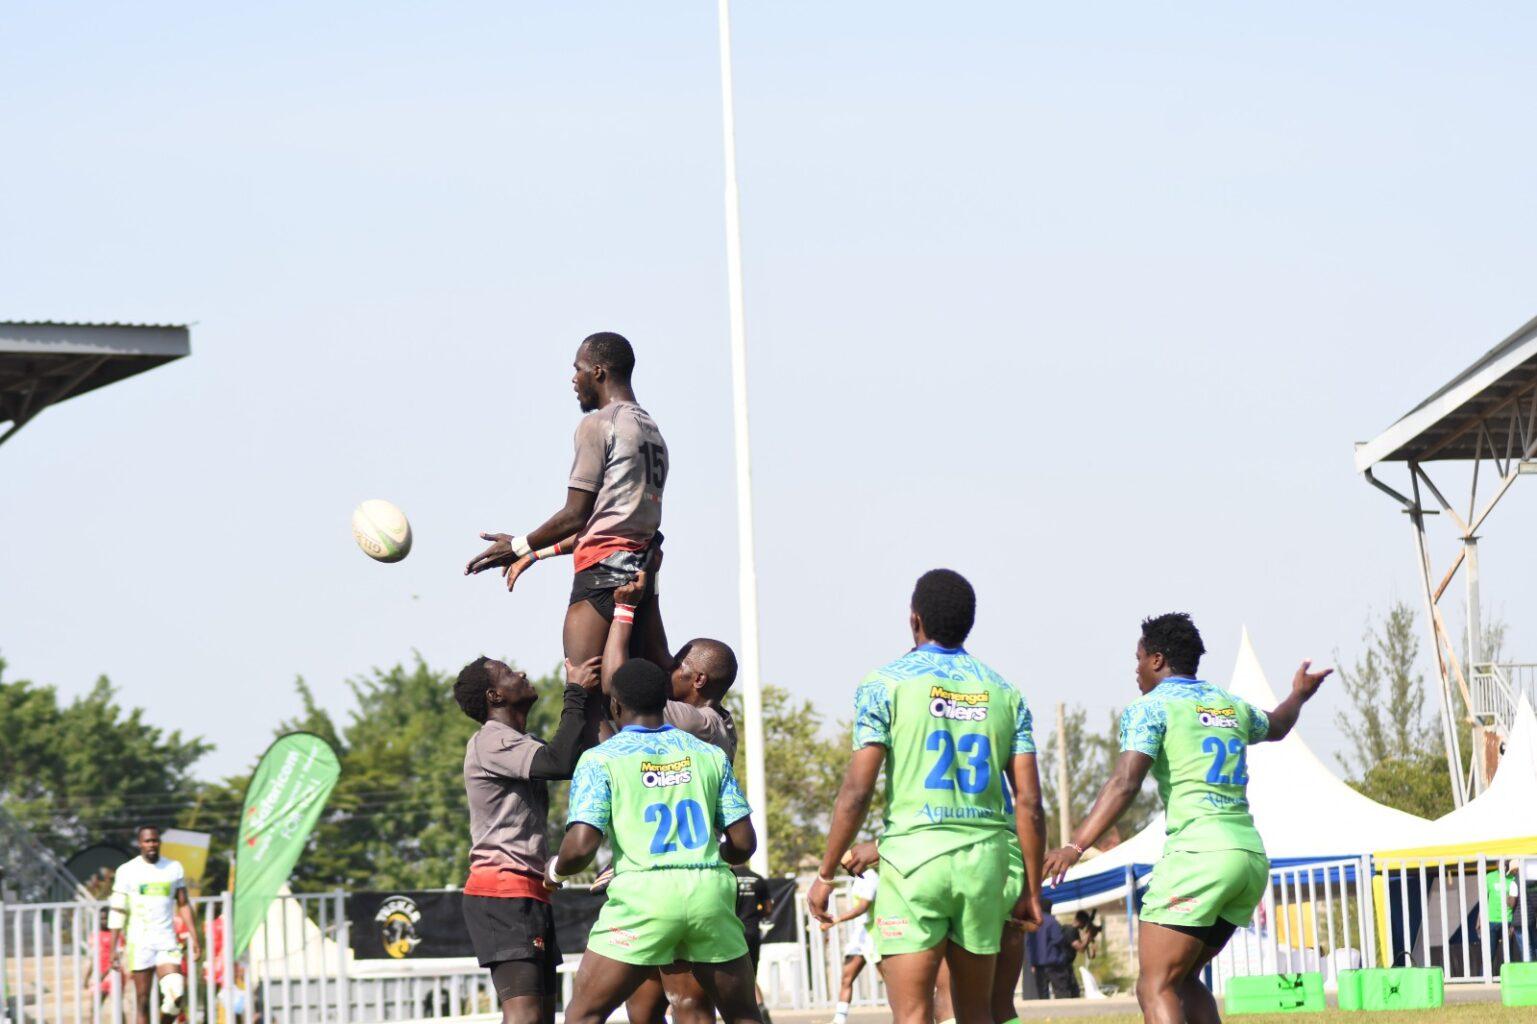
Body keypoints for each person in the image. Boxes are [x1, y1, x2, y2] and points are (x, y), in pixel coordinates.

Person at [1043, 613, 1332, 1024]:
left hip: (1199, 856)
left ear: (1158, 660)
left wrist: (1075, 845)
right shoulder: (1228, 704)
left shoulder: (1151, 707)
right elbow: (1279, 724)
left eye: (1138, 658)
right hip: (1247, 857)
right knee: (1185, 979)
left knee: (1154, 985)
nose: (1135, 669)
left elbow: (1125, 782)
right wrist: (1298, 695)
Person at [807, 569, 1046, 1024]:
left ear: (914, 620)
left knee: (913, 1014)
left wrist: (825, 873)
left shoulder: (886, 683)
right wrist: (1031, 890)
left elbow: (858, 790)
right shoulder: (1005, 692)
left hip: (914, 864)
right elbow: (1030, 804)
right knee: (977, 1013)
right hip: (985, 864)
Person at [552, 659, 762, 1024]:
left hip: (644, 896)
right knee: (742, 1015)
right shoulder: (708, 754)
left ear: (615, 706)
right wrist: (712, 856)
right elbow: (743, 843)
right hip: (708, 893)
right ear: (665, 702)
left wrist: (554, 872)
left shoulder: (601, 760)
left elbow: (581, 846)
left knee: (583, 1015)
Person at [464, 331, 670, 670]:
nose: (574, 379)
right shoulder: (650, 429)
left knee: (582, 700)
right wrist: (536, 551)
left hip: (602, 577)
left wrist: (516, 545)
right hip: (641, 578)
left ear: (599, 372)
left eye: (579, 369)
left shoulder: (599, 423)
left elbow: (577, 514)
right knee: (629, 701)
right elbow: (610, 523)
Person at [601, 569, 743, 1024]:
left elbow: (619, 686)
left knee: (688, 1002)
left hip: (676, 877)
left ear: (697, 679)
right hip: (656, 870)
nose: (668, 670)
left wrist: (624, 611)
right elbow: (661, 656)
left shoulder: (698, 724)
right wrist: (652, 584)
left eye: (679, 668)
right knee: (642, 1007)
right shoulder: (707, 716)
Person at [455, 654, 603, 1024]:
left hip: (530, 891)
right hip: (502, 893)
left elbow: (573, 754)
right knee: (525, 1016)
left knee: (541, 1018)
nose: (520, 672)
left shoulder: (521, 742)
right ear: (495, 696)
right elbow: (559, 762)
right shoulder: (490, 741)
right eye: (507, 672)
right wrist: (575, 692)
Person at [109, 825, 200, 1023]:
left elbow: (183, 904)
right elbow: (117, 910)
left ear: (160, 842)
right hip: (139, 943)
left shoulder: (173, 868)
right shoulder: (127, 871)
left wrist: (195, 937)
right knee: (142, 1001)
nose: (152, 845)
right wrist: (113, 947)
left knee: (176, 994)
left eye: (155, 841)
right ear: (140, 843)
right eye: (147, 841)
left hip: (166, 941)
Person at [823, 857, 881, 1024]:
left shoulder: (870, 877)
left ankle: (908, 1014)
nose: (845, 868)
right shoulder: (857, 880)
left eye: (847, 864)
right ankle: (839, 1019)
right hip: (860, 936)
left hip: (874, 934)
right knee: (847, 976)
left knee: (891, 979)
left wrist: (837, 919)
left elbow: (863, 906)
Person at [1024, 897, 1079, 999]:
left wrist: (1032, 963)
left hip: (1038, 965)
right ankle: (1063, 1013)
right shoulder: (1052, 922)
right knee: (1061, 991)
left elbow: (1028, 945)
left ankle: (1043, 1013)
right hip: (1054, 964)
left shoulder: (1032, 923)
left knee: (1042, 994)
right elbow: (1058, 939)